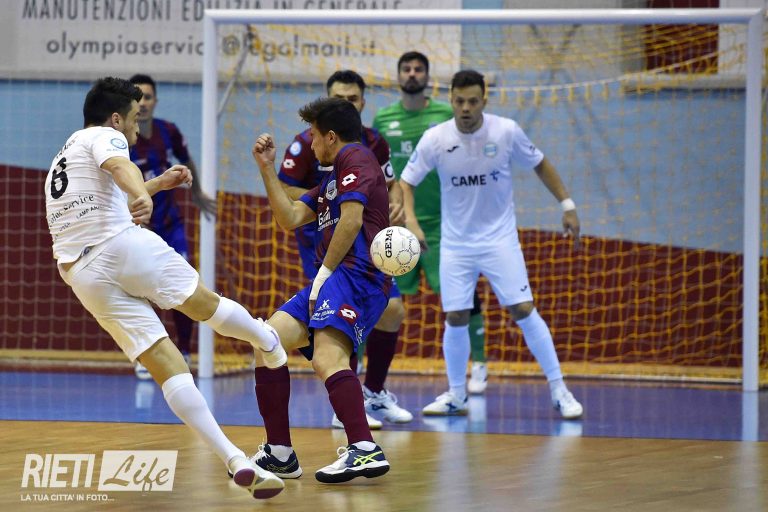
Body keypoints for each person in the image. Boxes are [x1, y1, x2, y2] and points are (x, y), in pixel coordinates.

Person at [43, 77, 286, 499]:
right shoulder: (105, 136)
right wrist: (144, 192)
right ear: (116, 119)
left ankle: (234, 458)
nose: (137, 128)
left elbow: (107, 198)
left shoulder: (63, 157)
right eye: (134, 119)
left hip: (80, 274)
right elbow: (123, 169)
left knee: (165, 363)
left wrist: (156, 185)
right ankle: (266, 339)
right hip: (120, 246)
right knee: (204, 305)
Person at [399, 70, 584, 419]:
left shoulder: (506, 131)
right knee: (456, 315)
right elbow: (406, 182)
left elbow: (540, 164)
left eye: (473, 101)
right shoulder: (435, 138)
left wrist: (568, 204)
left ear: (484, 100)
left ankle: (560, 390)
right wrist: (411, 221)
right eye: (459, 101)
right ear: (451, 100)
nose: (466, 108)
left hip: (500, 241)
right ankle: (457, 395)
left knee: (523, 309)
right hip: (456, 245)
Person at [250, 97, 391, 483]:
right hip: (334, 277)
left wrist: (324, 274)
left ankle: (364, 449)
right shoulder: (331, 180)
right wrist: (266, 169)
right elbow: (289, 217)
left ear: (331, 136)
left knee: (328, 358)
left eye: (313, 135)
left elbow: (352, 220)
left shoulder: (357, 157)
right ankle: (279, 453)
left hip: (356, 275)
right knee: (267, 340)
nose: (310, 144)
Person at [277, 70, 412, 428]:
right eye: (338, 98)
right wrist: (330, 199)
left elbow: (391, 183)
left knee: (392, 311)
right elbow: (287, 191)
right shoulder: (307, 143)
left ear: (362, 102)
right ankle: (347, 411)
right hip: (324, 241)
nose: (345, 103)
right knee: (334, 323)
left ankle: (373, 394)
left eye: (351, 99)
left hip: (366, 245)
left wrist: (394, 202)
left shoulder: (372, 143)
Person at [373, 51, 490, 394]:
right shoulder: (383, 119)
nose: (412, 73)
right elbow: (377, 171)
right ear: (399, 75)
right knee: (381, 299)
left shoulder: (445, 114)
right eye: (406, 69)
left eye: (418, 69)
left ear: (427, 76)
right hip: (397, 224)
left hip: (445, 225)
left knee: (461, 295)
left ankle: (479, 365)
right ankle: (365, 368)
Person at [127, 74, 217, 380]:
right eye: (137, 97)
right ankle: (146, 356)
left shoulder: (168, 131)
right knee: (140, 289)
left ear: (156, 101)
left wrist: (198, 192)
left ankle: (186, 351)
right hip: (138, 226)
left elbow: (187, 160)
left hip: (170, 222)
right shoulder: (121, 141)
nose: (143, 103)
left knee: (185, 283)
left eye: (148, 96)